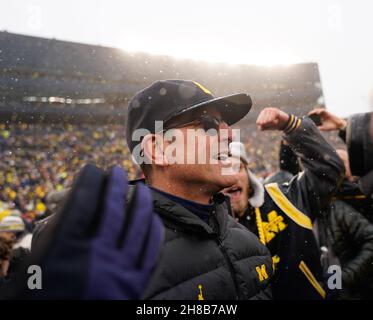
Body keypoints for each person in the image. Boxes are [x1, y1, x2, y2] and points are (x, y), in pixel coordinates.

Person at [126, 79, 273, 299]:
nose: (230, 135)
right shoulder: (112, 262)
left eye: (225, 124)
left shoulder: (250, 245)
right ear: (159, 149)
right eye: (209, 124)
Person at [221, 108, 344, 299]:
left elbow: (328, 172)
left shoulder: (283, 200)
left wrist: (292, 126)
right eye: (221, 170)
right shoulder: (209, 229)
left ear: (248, 175)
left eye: (236, 166)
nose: (229, 178)